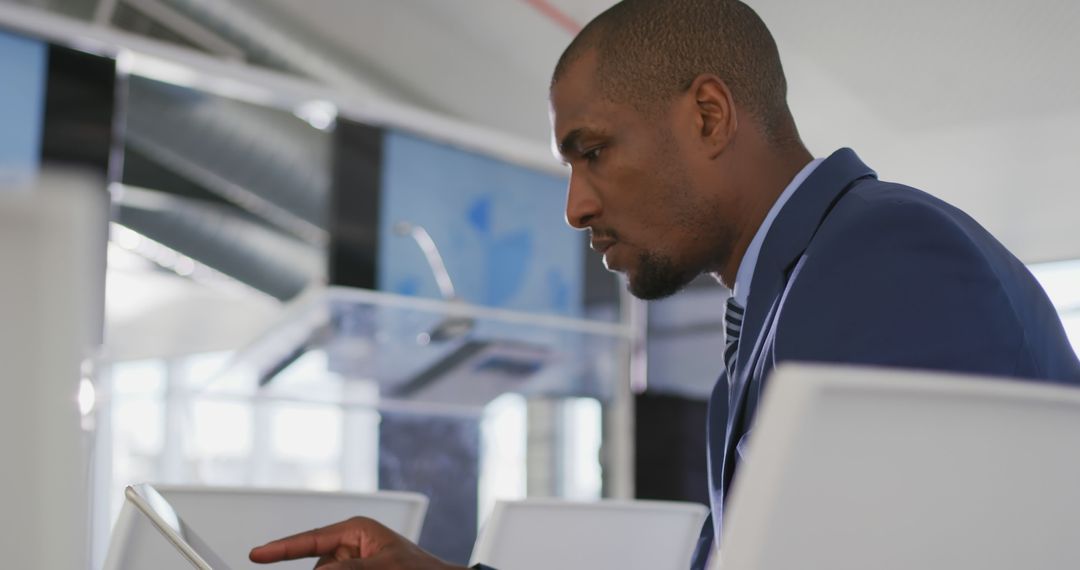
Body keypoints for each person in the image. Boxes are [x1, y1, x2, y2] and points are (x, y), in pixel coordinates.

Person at [249, 1, 1080, 568]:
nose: (575, 207)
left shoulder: (886, 256)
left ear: (709, 116)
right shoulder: (776, 315)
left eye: (593, 150)